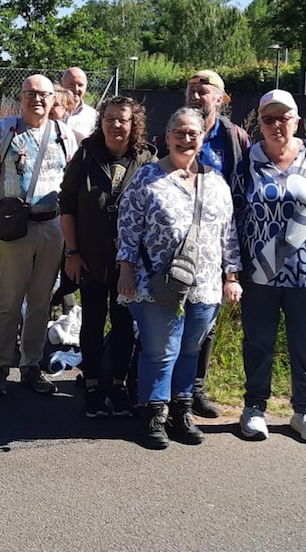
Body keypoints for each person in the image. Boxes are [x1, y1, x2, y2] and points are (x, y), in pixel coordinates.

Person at [116, 107, 242, 450]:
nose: (186, 139)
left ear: (202, 139)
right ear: (167, 136)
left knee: (190, 350)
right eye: (179, 132)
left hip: (205, 285)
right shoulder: (147, 178)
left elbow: (228, 234)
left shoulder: (216, 183)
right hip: (157, 282)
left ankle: (181, 411)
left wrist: (232, 276)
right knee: (160, 351)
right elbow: (128, 227)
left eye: (193, 133)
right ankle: (154, 413)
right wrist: (126, 269)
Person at [232, 90, 306, 443]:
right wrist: (232, 269)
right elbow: (232, 216)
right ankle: (254, 408)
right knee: (258, 342)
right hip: (259, 275)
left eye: (284, 118)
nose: (277, 125)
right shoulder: (247, 160)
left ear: (296, 120)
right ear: (259, 123)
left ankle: (305, 410)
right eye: (269, 119)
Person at [0, 75, 77, 397]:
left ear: (54, 99)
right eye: (30, 94)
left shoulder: (65, 135)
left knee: (41, 302)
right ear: (21, 98)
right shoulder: (4, 130)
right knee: (8, 301)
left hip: (51, 228)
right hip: (14, 226)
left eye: (43, 94)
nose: (37, 100)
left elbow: (73, 187)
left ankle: (31, 365)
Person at [60, 96, 156, 419]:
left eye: (123, 120)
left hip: (129, 264)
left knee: (124, 325)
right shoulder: (87, 154)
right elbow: (67, 205)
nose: (116, 125)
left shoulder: (146, 159)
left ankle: (118, 384)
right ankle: (90, 385)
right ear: (101, 121)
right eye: (110, 118)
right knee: (91, 322)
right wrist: (72, 252)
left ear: (134, 124)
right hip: (89, 258)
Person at [172, 70, 250, 418]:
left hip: (215, 243)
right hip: (173, 244)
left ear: (222, 98)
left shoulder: (235, 138)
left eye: (203, 91)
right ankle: (158, 391)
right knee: (168, 316)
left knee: (205, 320)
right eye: (191, 90)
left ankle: (194, 389)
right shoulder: (177, 130)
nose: (196, 96)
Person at [60, 67, 98, 138]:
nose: (76, 89)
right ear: (62, 84)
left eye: (80, 85)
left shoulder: (93, 116)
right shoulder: (50, 112)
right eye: (71, 84)